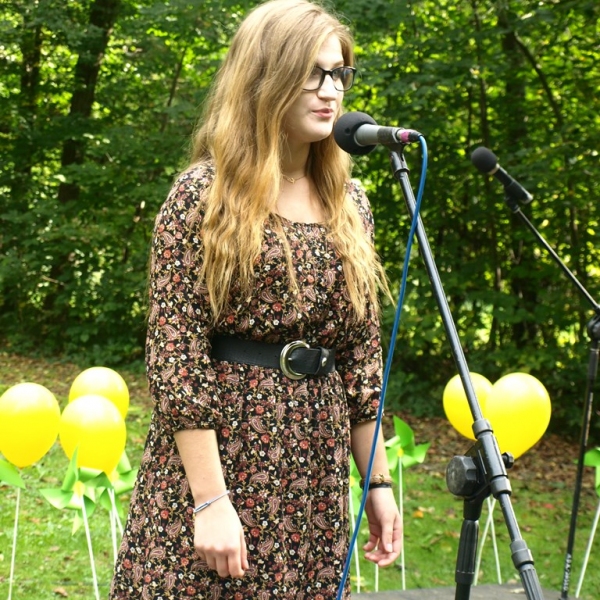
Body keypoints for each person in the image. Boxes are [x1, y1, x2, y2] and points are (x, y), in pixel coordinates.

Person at [110, 0, 402, 597]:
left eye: (339, 74)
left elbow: (361, 358)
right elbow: (176, 352)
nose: (331, 91)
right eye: (312, 74)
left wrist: (377, 482)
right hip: (224, 452)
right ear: (267, 77)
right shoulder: (203, 195)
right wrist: (209, 499)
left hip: (314, 463)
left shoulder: (351, 204)